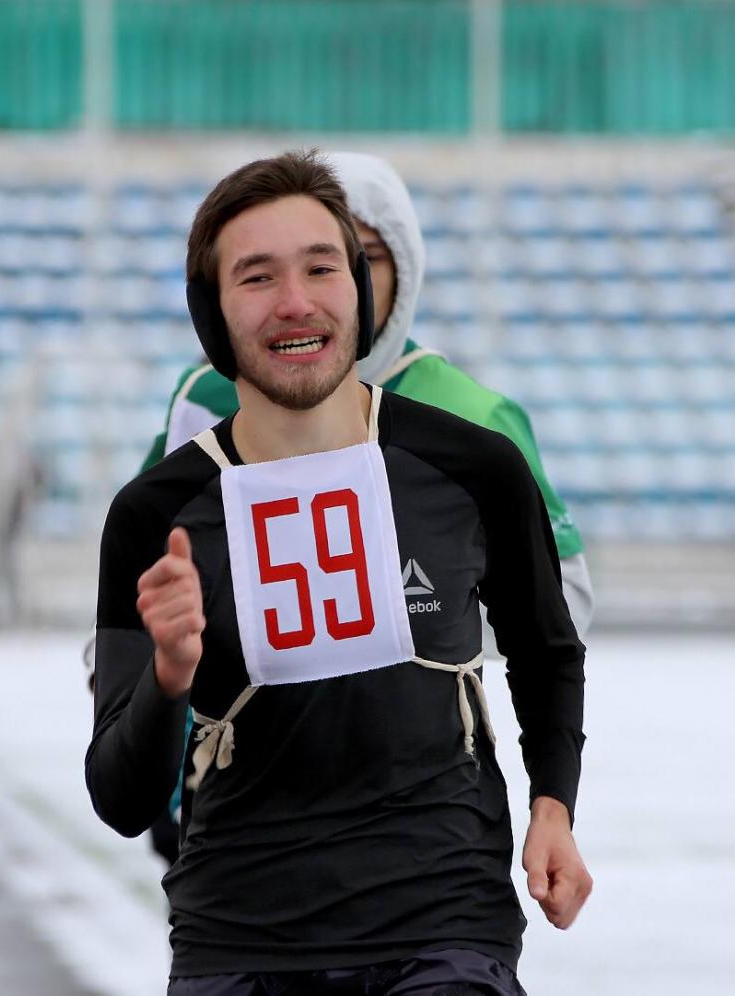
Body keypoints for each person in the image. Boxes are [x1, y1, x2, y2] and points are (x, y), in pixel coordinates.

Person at [86, 152, 591, 995]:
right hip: (238, 938)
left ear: (360, 289)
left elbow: (547, 648)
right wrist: (168, 678)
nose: (296, 301)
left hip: (445, 926)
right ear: (211, 313)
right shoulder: (152, 514)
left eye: (323, 267)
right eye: (256, 277)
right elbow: (121, 798)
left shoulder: (474, 464)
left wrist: (553, 806)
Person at [138, 151, 594, 636]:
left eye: (354, 260)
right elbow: (143, 570)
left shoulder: (474, 415)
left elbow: (565, 599)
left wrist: (405, 632)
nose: (312, 293)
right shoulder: (204, 398)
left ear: (405, 269)